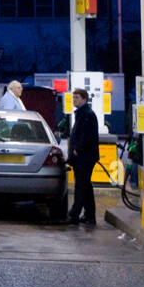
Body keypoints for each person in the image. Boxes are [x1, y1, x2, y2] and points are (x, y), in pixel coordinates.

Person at [67, 88, 99, 225]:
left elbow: (86, 137)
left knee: (81, 186)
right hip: (83, 156)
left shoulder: (87, 114)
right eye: (73, 98)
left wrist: (77, 150)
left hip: (84, 157)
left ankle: (74, 214)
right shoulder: (82, 113)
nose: (74, 100)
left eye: (77, 98)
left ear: (84, 99)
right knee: (85, 186)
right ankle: (90, 216)